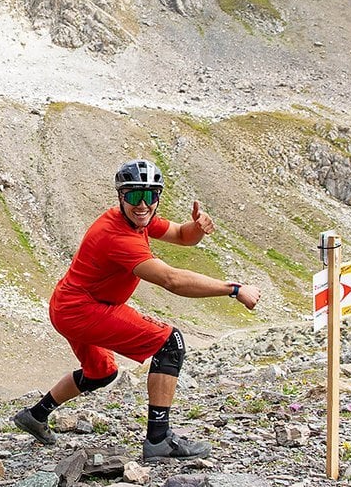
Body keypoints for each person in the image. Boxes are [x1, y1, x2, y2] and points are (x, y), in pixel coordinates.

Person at [13, 160, 261, 461]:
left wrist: (197, 228)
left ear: (158, 197)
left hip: (69, 304)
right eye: (133, 196)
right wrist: (233, 289)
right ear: (120, 197)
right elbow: (172, 280)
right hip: (82, 309)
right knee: (170, 343)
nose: (142, 204)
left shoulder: (137, 219)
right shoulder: (117, 235)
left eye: (150, 196)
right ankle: (158, 439)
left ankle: (35, 416)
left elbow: (182, 235)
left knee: (101, 372)